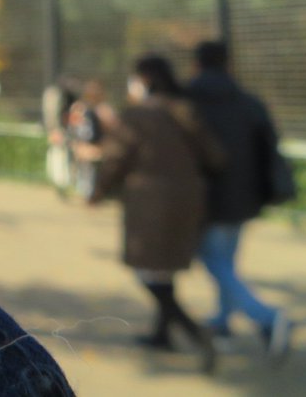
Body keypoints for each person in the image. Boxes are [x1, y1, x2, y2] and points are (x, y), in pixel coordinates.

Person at [91, 55, 225, 373]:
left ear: (145, 80)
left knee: (146, 271)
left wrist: (97, 191)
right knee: (165, 271)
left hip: (149, 204)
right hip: (187, 201)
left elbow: (115, 158)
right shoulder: (185, 110)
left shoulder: (138, 115)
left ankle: (194, 331)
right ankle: (162, 334)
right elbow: (216, 156)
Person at [186, 40, 293, 360]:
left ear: (196, 64)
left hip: (206, 199)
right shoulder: (249, 101)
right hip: (245, 198)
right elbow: (269, 147)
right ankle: (222, 322)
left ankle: (267, 317)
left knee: (214, 261)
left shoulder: (187, 101)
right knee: (226, 262)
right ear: (228, 64)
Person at [67, 78, 114, 199]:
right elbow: (73, 129)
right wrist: (76, 145)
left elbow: (112, 132)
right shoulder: (78, 108)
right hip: (83, 147)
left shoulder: (104, 110)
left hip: (99, 148)